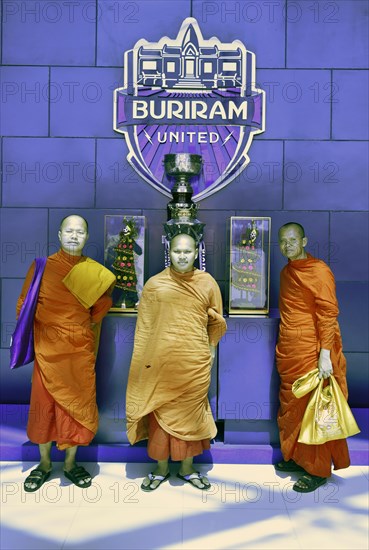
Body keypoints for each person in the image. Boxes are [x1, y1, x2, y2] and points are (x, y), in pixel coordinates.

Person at [17, 215, 115, 492]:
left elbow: (99, 310)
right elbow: (24, 307)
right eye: (69, 231)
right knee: (45, 407)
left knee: (77, 407)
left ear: (86, 237)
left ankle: (71, 464)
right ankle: (45, 463)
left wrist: (75, 330)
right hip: (48, 353)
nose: (74, 236)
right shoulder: (41, 268)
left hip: (78, 352)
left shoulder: (96, 272)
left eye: (80, 232)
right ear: (59, 235)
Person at [126, 231, 227, 491]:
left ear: (196, 253)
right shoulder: (155, 285)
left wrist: (210, 351)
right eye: (176, 251)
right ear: (168, 253)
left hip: (193, 363)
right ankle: (160, 469)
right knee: (161, 414)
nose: (182, 256)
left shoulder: (207, 283)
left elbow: (216, 322)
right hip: (161, 363)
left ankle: (187, 468)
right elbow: (145, 328)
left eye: (187, 251)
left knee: (190, 415)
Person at [275, 222, 350, 492]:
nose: (287, 246)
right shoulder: (287, 272)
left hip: (313, 349)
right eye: (283, 241)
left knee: (316, 410)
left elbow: (328, 314)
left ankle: (317, 469)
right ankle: (298, 457)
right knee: (293, 405)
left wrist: (325, 355)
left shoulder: (319, 270)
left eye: (292, 240)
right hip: (290, 350)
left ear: (304, 241)